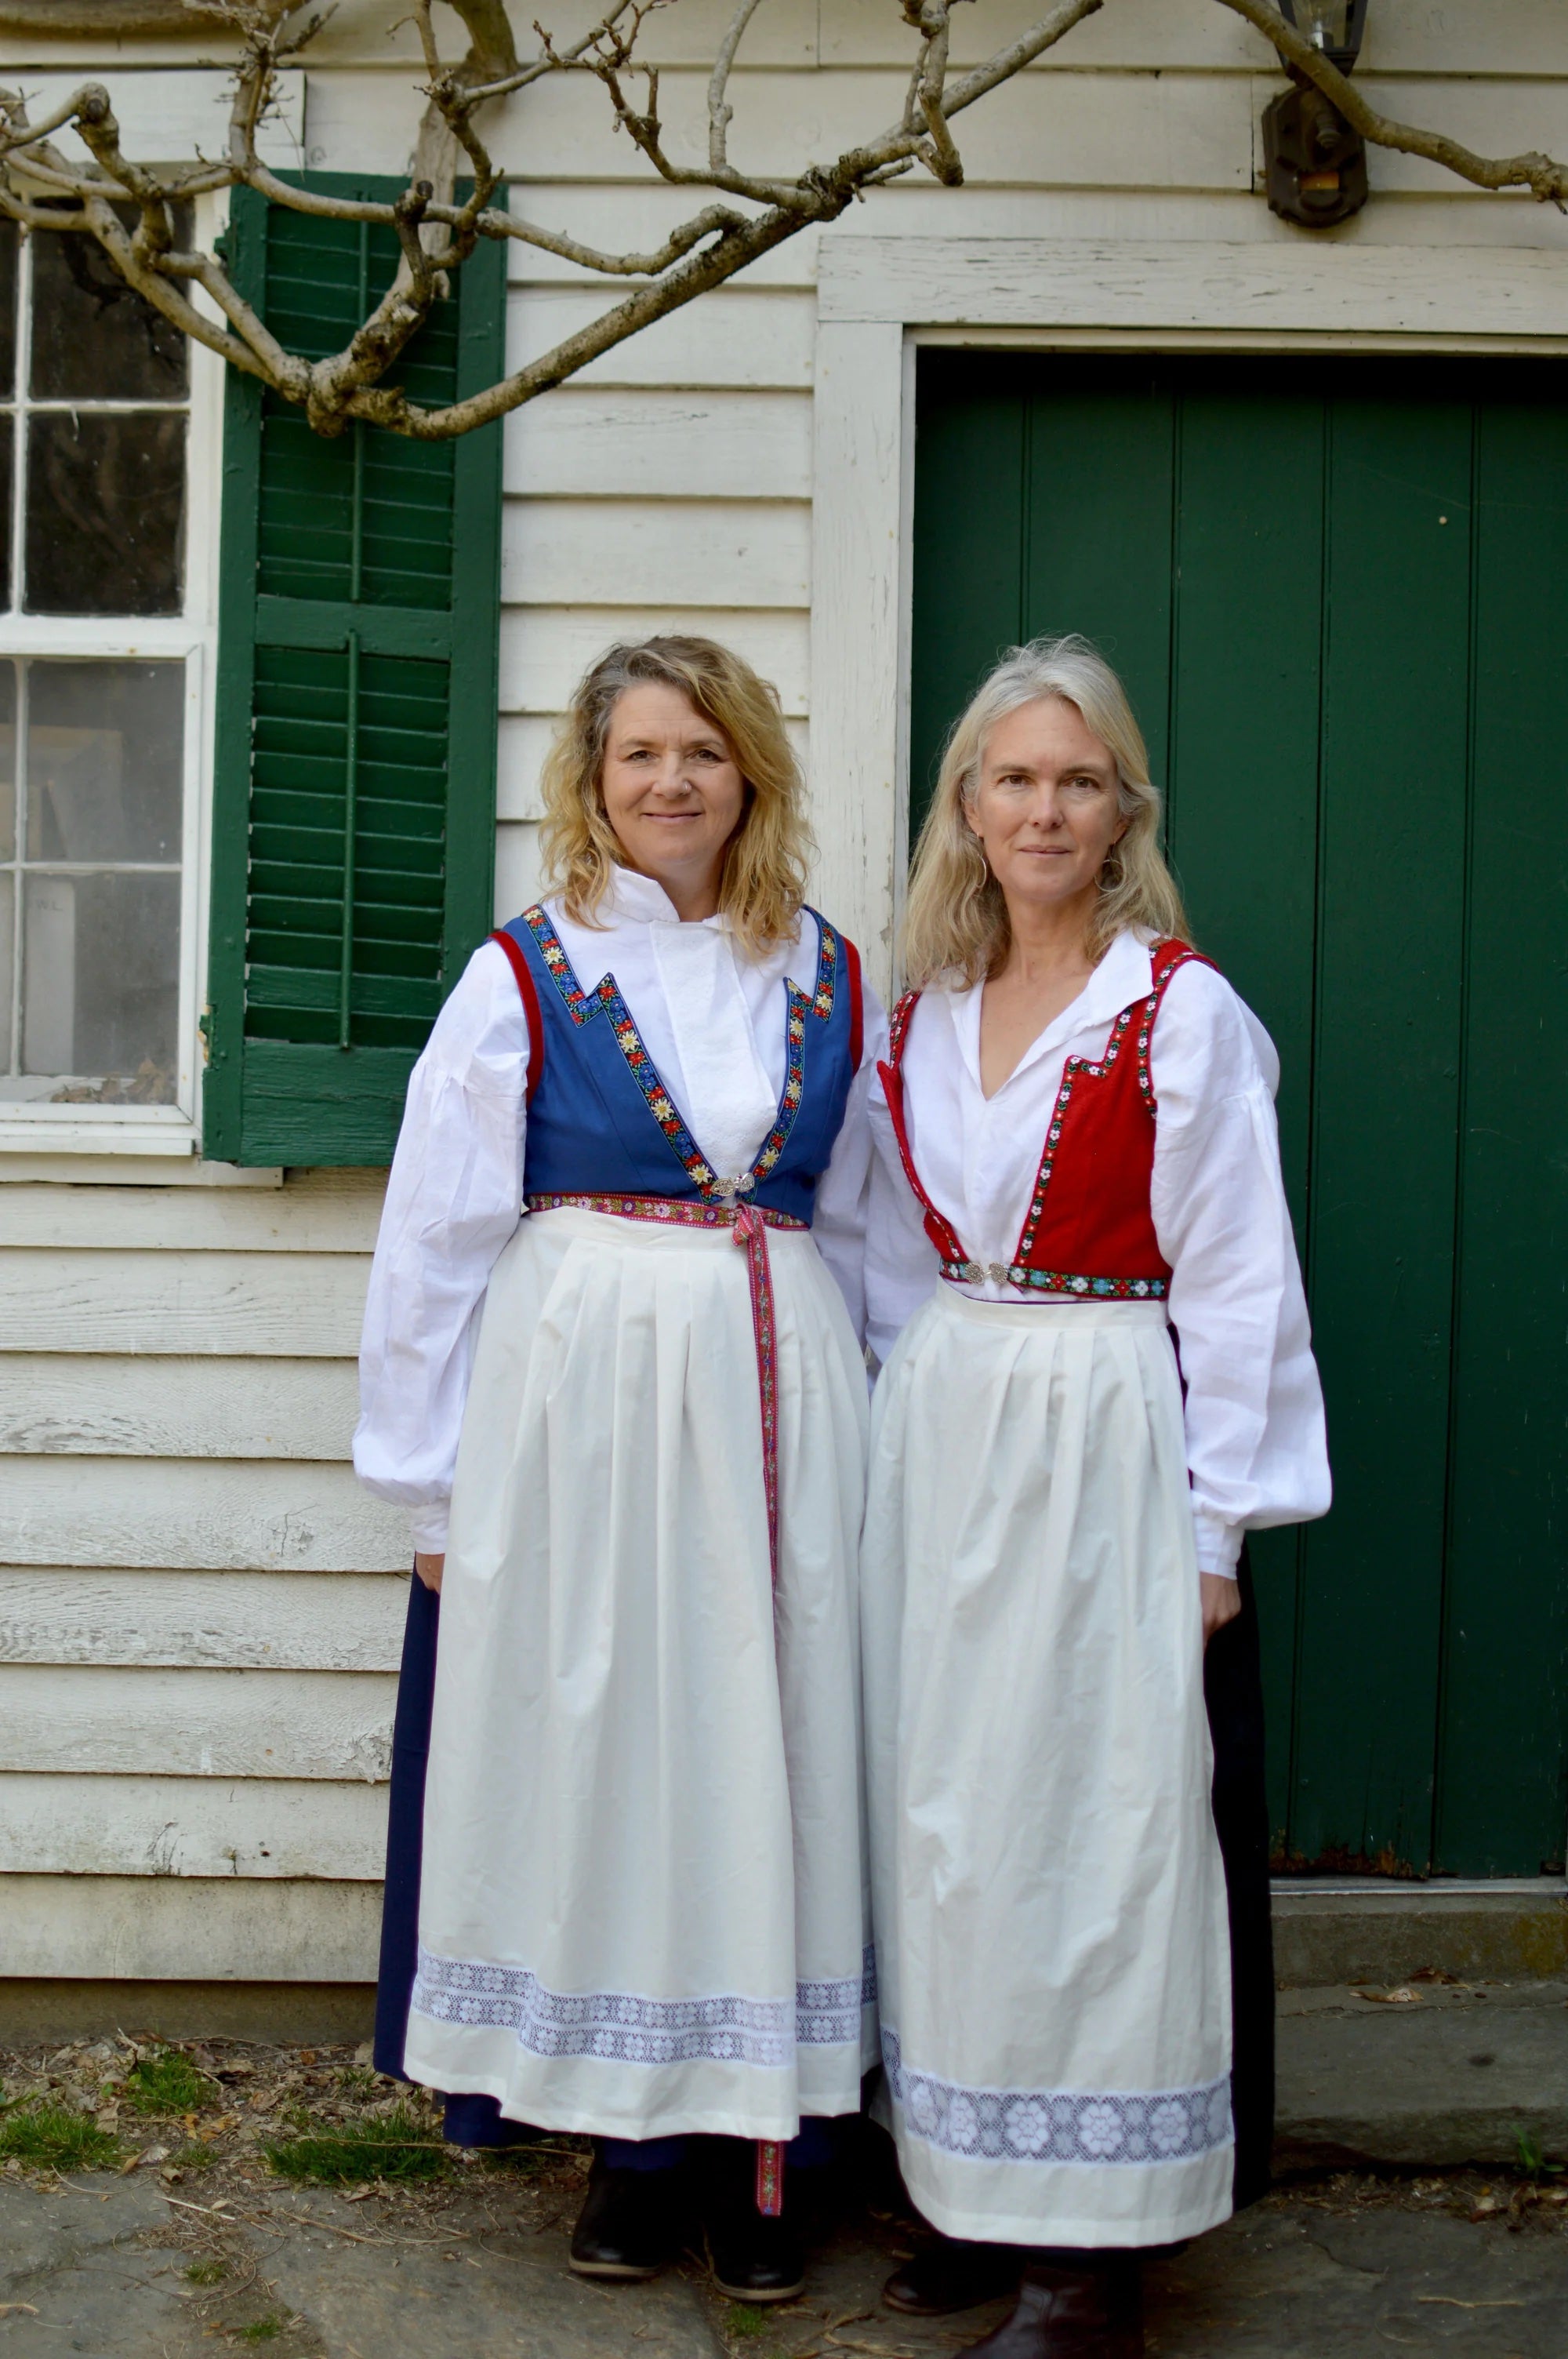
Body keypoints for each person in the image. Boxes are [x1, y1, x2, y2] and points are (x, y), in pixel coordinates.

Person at [354, 636, 884, 2302]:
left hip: (782, 1395)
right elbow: (432, 1240)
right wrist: (432, 1487)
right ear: (591, 779)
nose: (671, 782)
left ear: (752, 775)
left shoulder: (826, 968)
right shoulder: (524, 971)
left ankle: (763, 2150)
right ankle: (632, 2147)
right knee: (619, 1741)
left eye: (703, 753)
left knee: (773, 1740)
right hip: (580, 1419)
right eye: (639, 753)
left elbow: (868, 1232)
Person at [859, 637, 1330, 2357]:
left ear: (1121, 806)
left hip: (1107, 1430)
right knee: (954, 1822)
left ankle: (1092, 2255)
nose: (1042, 808)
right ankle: (977, 2185)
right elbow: (892, 1265)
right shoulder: (919, 1016)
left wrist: (1213, 1526)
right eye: (1011, 778)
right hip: (951, 1432)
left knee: (1098, 1826)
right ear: (967, 808)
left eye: (1075, 779)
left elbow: (1240, 1284)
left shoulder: (1179, 1012)